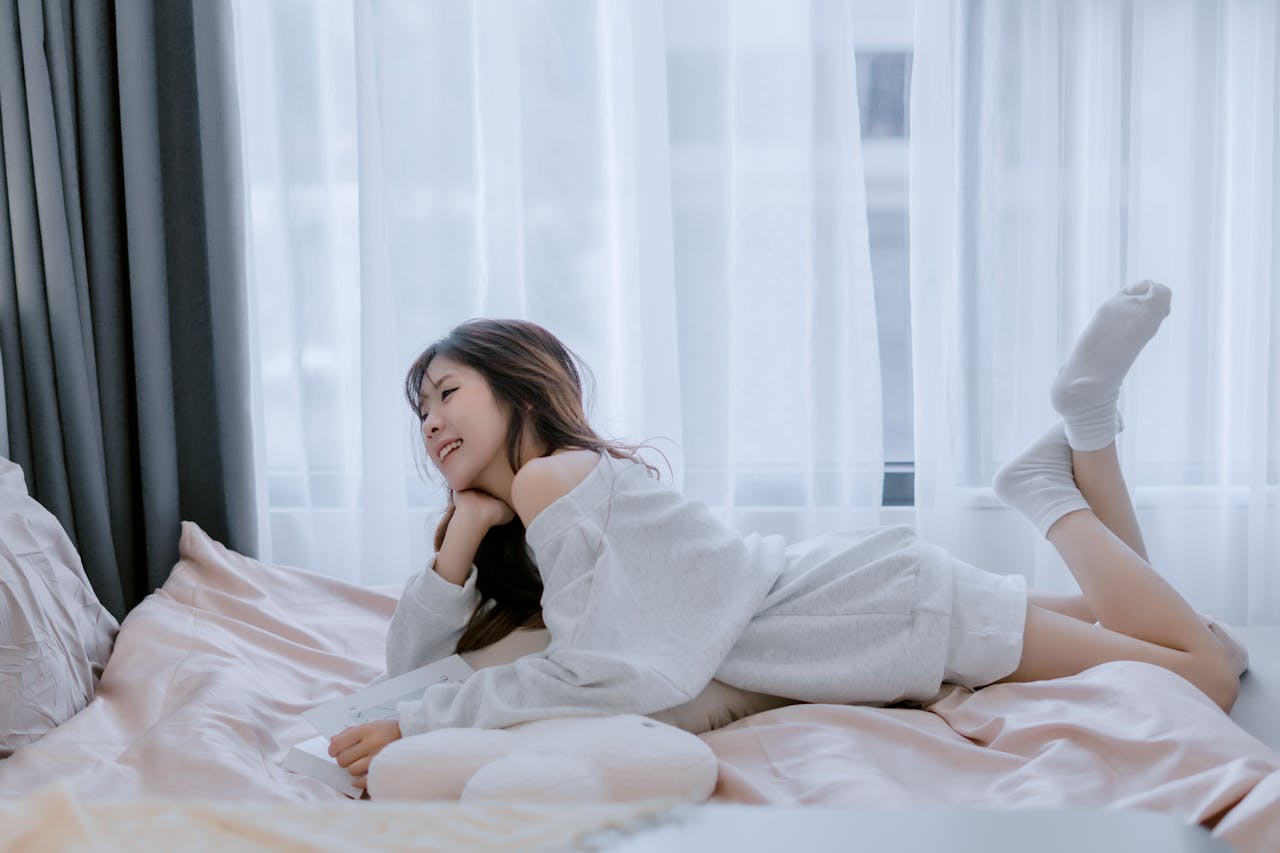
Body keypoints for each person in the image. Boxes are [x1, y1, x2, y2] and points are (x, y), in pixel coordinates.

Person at [329, 281, 1246, 793]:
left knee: (1201, 671)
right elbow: (404, 670)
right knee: (1172, 632)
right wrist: (460, 543)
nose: (431, 422)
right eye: (420, 411)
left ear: (517, 389)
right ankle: (1090, 431)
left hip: (876, 614)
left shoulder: (553, 477)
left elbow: (618, 674)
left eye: (448, 392)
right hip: (860, 596)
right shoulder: (523, 513)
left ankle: (1049, 491)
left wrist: (423, 721)